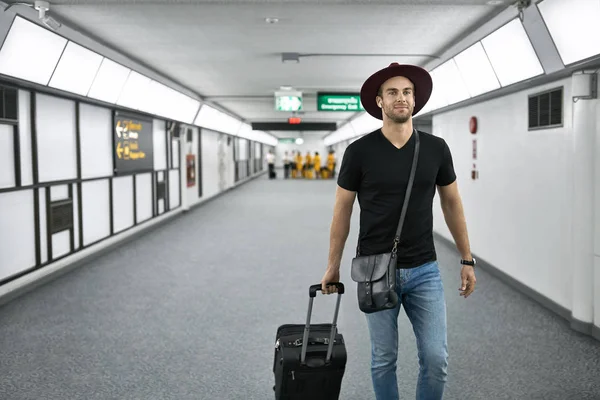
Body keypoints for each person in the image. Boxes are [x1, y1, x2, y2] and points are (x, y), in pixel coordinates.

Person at [320, 63, 477, 400]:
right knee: (383, 358)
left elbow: (452, 203)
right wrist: (333, 265)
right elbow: (342, 211)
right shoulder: (359, 152)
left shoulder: (436, 149)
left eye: (407, 92)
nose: (401, 98)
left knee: (436, 359)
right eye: (392, 92)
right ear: (379, 101)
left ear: (415, 100)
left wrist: (467, 257)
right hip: (374, 269)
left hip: (424, 269)